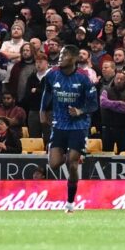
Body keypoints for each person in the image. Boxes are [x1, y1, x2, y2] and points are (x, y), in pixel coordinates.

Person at [39, 46, 100, 209]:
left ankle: (70, 202)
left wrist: (80, 110)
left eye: (65, 54)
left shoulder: (84, 77)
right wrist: (42, 110)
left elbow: (94, 104)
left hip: (78, 125)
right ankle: (72, 153)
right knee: (54, 164)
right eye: (60, 54)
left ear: (74, 58)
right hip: (59, 123)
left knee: (72, 163)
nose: (60, 57)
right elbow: (47, 92)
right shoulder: (52, 74)